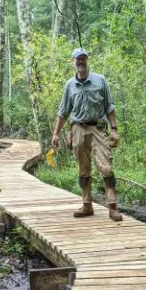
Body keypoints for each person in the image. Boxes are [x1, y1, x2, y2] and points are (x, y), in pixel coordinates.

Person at [51, 48, 122, 222]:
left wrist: (114, 129)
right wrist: (56, 134)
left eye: (83, 59)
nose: (81, 62)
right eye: (78, 59)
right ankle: (86, 205)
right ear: (73, 62)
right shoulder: (70, 85)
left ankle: (112, 207)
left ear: (87, 60)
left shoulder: (100, 80)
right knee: (83, 170)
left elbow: (109, 107)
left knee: (106, 167)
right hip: (78, 130)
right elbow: (63, 112)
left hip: (98, 129)